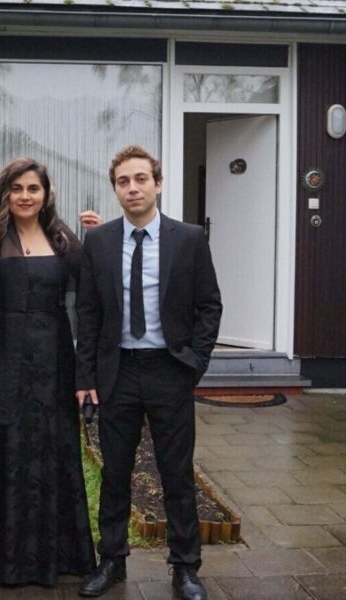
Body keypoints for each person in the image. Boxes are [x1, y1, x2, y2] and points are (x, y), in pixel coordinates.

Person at [74, 145, 222, 600]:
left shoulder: (189, 239)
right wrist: (86, 378)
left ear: (158, 184)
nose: (132, 188)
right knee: (115, 473)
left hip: (169, 371)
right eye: (123, 181)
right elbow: (88, 312)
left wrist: (194, 363)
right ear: (115, 189)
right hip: (117, 371)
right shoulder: (99, 242)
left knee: (176, 474)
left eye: (141, 179)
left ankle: (185, 567)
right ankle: (112, 560)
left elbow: (209, 305)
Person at [0, 157, 97, 587]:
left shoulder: (63, 238)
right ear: (5, 194)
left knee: (51, 446)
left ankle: (55, 558)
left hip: (55, 357)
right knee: (4, 444)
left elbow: (94, 293)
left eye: (33, 188)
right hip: (3, 355)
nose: (25, 196)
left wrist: (101, 239)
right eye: (16, 188)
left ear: (45, 194)